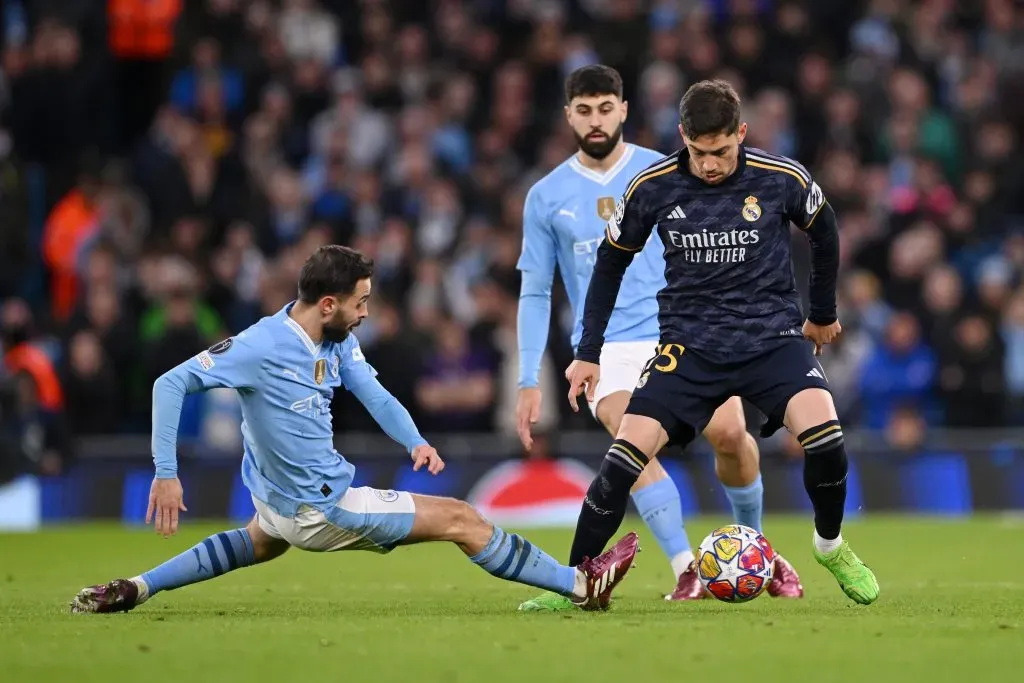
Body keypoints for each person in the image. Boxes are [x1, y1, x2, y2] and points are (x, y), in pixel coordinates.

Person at [70, 245, 639, 614]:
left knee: (256, 543)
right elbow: (168, 384)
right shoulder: (260, 346)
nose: (366, 312)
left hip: (280, 502)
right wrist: (166, 475)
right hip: (323, 507)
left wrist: (414, 439)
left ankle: (135, 588)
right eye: (360, 302)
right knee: (464, 520)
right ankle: (580, 586)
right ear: (326, 303)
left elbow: (373, 392)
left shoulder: (336, 339)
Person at [564, 80, 879, 605]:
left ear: (742, 134)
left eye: (722, 151)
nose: (710, 165)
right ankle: (572, 580)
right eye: (699, 152)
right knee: (621, 462)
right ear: (683, 136)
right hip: (689, 348)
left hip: (772, 338)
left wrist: (822, 314)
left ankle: (829, 545)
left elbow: (825, 230)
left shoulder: (781, 177)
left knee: (825, 438)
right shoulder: (654, 186)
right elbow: (611, 262)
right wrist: (587, 351)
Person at [515, 66, 803, 611]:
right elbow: (534, 292)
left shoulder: (670, 170)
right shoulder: (545, 196)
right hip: (610, 349)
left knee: (732, 436)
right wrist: (531, 378)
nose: (595, 120)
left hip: (687, 333)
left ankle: (758, 549)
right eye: (583, 110)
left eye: (605, 108)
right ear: (568, 116)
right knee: (632, 444)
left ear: (624, 109)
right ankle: (686, 568)